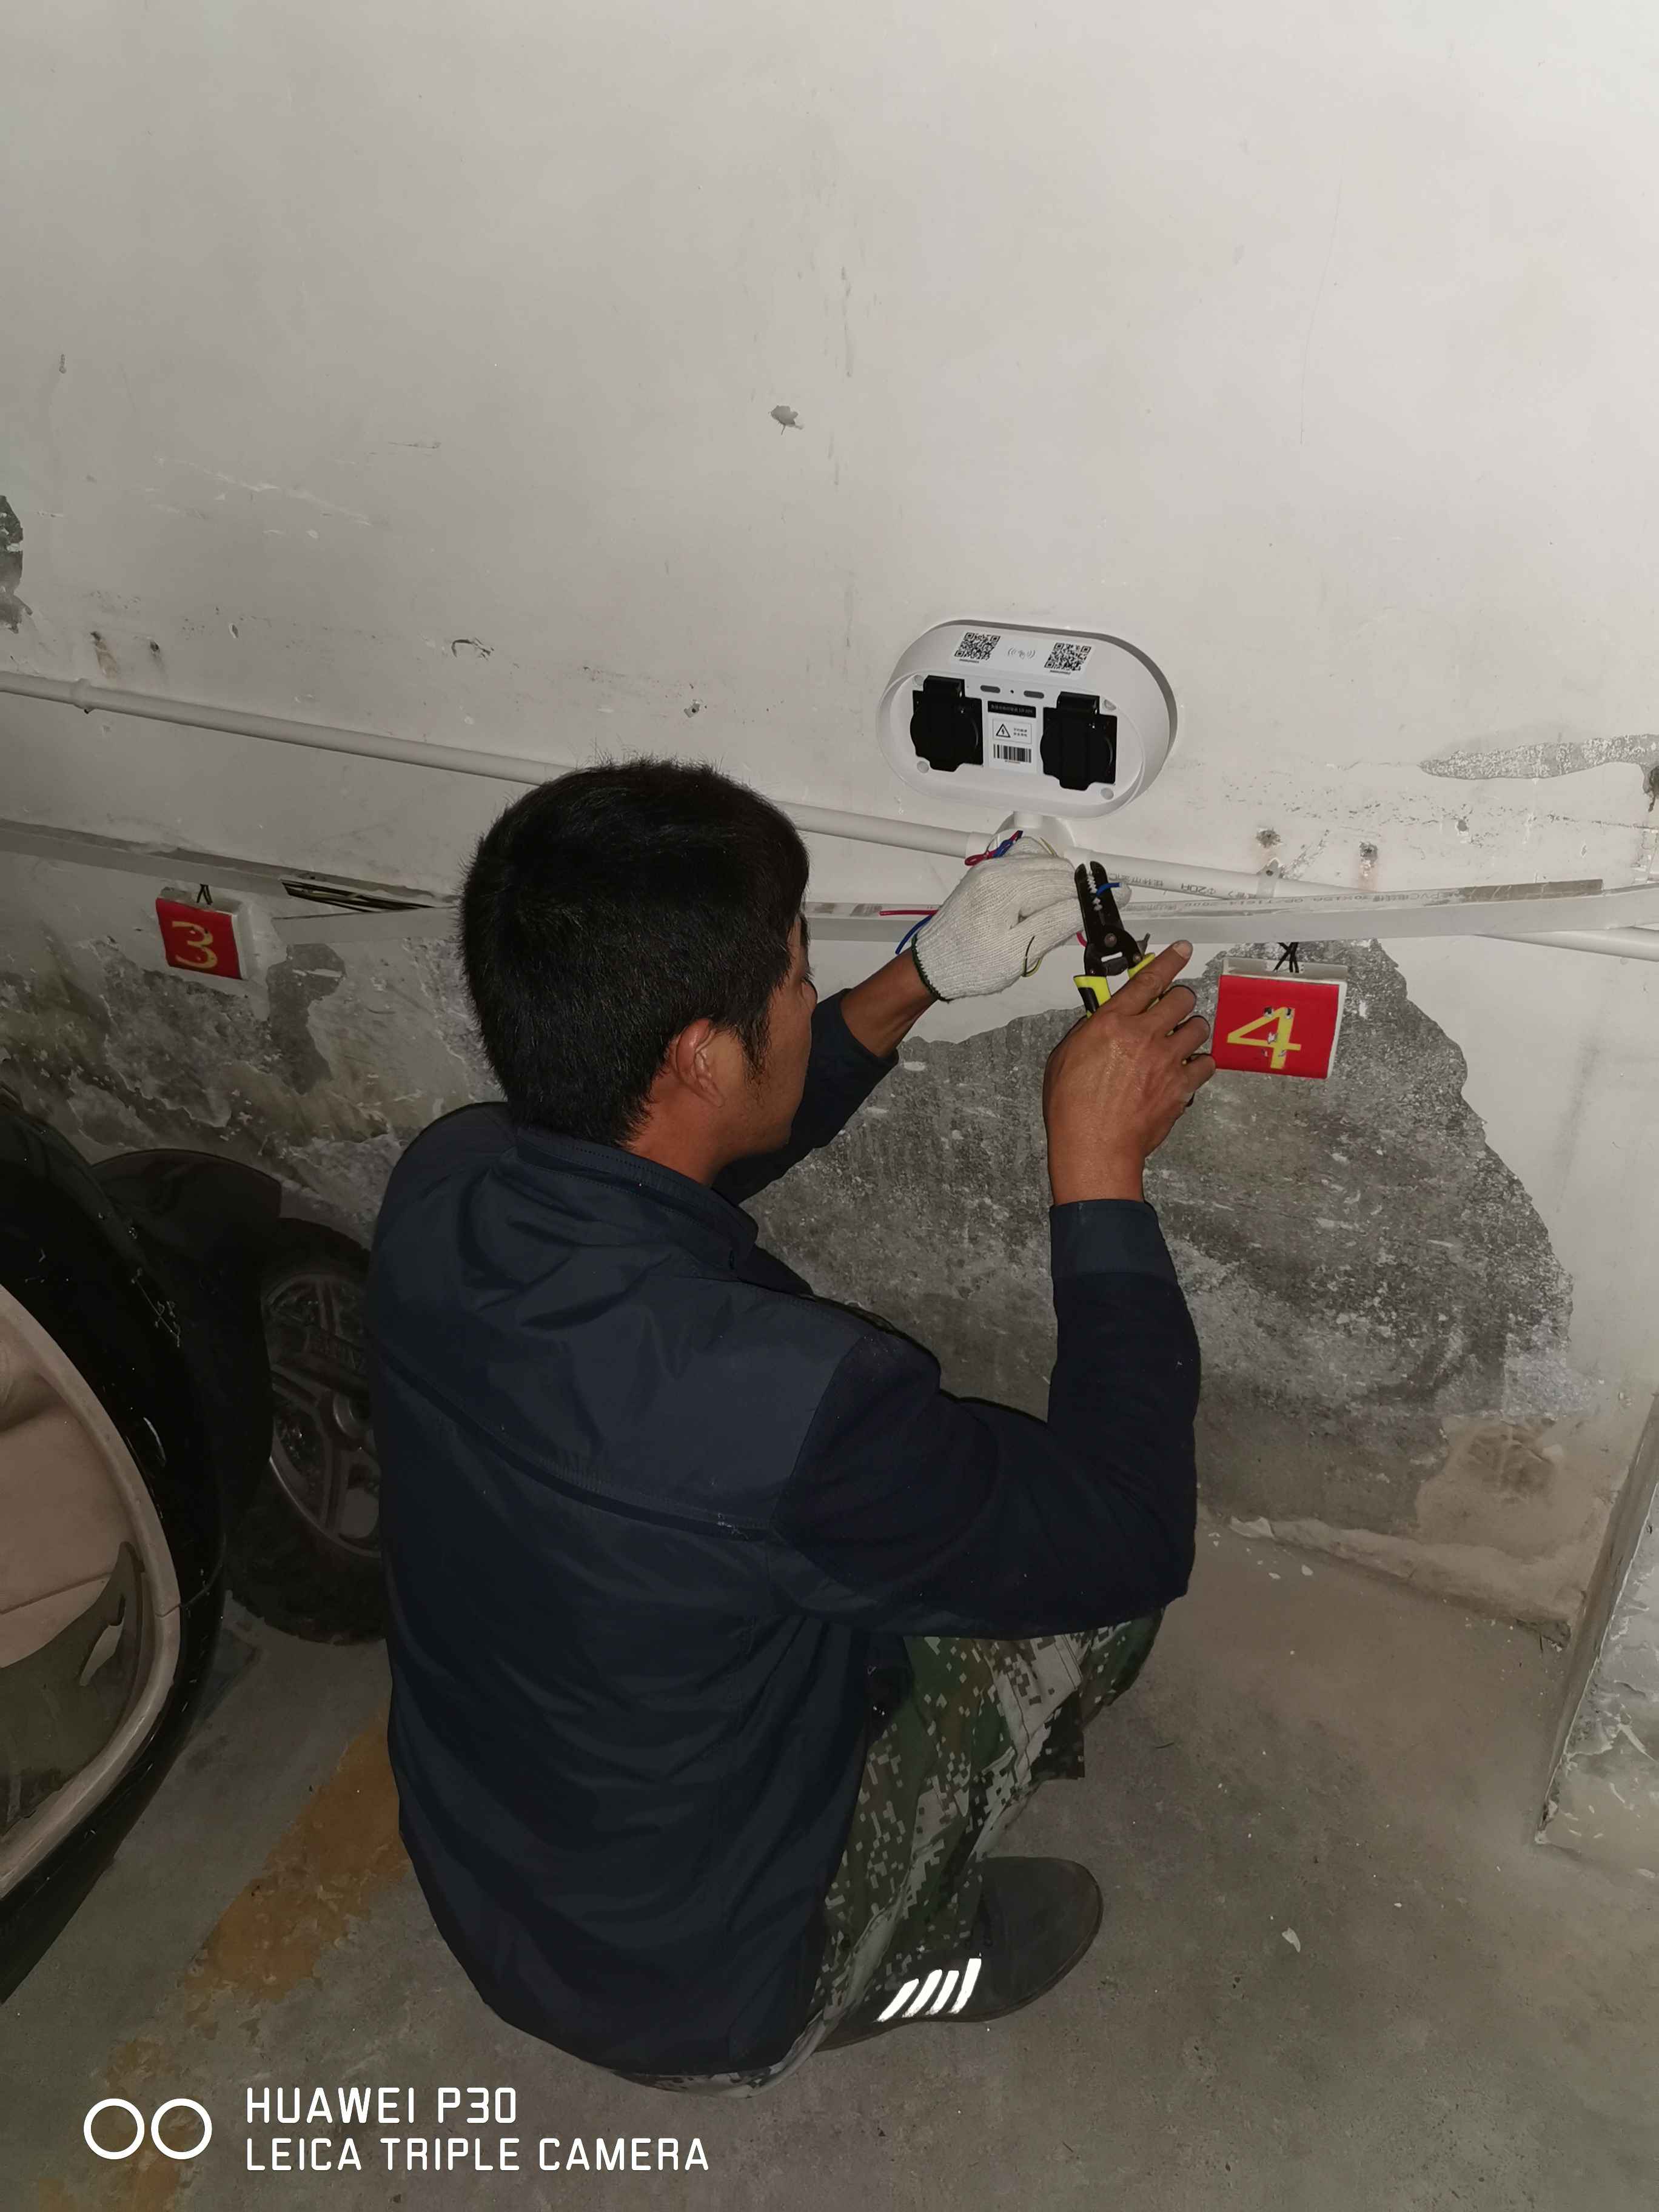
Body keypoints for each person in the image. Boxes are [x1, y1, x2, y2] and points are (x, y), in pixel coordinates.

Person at [368, 758, 1210, 2093]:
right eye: (799, 978)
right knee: (1097, 1596)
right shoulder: (799, 1414)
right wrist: (1099, 1172)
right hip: (701, 1998)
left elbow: (690, 1146)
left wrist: (920, 977)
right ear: (700, 1053)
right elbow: (1133, 1525)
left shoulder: (449, 1185)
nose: (809, 997)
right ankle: (894, 1956)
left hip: (492, 1876)